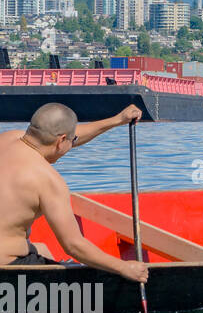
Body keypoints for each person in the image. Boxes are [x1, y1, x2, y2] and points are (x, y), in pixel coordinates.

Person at [0, 102, 149, 281]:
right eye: (71, 141)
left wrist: (117, 120)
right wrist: (124, 267)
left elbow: (67, 136)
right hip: (8, 268)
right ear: (61, 140)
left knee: (42, 248)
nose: (72, 144)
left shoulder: (8, 138)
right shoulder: (48, 180)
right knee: (76, 271)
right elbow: (74, 246)